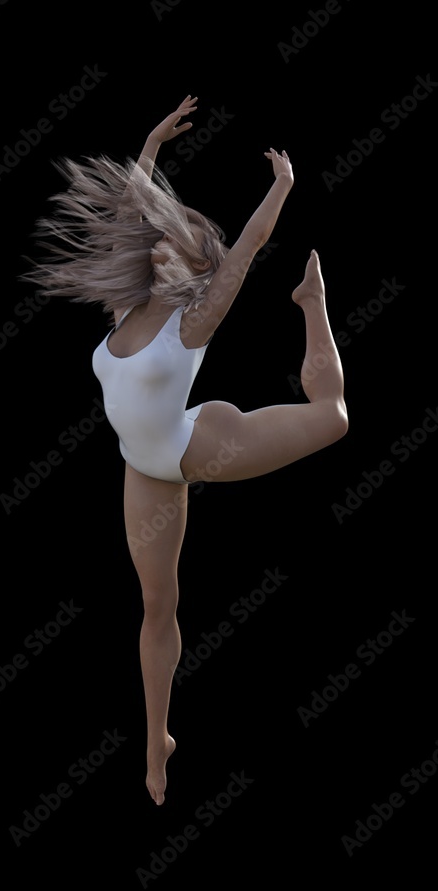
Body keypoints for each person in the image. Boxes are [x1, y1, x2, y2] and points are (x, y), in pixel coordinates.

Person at [23, 95, 348, 806]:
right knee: (158, 605)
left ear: (194, 265)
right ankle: (156, 741)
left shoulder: (194, 322)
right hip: (145, 467)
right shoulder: (126, 308)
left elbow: (247, 249)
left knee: (333, 419)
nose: (157, 247)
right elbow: (129, 217)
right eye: (159, 243)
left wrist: (284, 186)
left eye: (174, 246)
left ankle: (312, 302)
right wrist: (148, 143)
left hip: (193, 447)